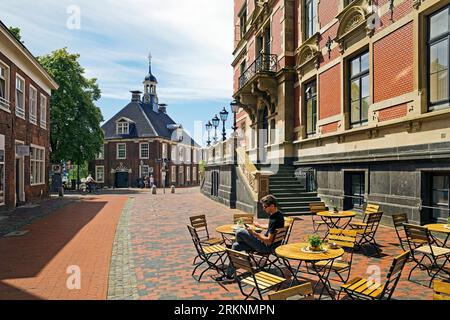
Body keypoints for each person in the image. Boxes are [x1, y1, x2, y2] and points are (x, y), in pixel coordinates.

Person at [215, 195, 285, 282]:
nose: (263, 209)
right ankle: (229, 276)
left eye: (265, 206)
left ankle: (245, 261)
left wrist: (253, 233)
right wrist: (260, 225)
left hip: (265, 247)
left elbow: (269, 241)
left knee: (239, 232)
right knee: (236, 246)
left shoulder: (274, 219)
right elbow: (272, 228)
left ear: (272, 206)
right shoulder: (279, 215)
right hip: (272, 245)